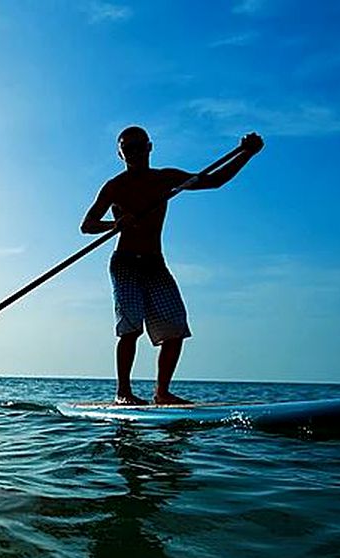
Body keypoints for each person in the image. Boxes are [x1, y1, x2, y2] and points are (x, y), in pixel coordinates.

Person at [80, 126, 263, 406]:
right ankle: (123, 393)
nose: (135, 152)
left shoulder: (165, 179)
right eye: (128, 148)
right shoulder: (114, 187)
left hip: (155, 262)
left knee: (175, 328)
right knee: (131, 328)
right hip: (126, 262)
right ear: (121, 153)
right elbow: (87, 225)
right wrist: (115, 224)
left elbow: (214, 181)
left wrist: (246, 154)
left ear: (149, 147)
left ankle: (161, 392)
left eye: (139, 146)